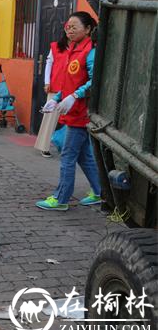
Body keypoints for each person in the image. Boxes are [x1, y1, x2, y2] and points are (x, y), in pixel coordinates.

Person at [36, 11, 102, 211]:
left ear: (88, 29)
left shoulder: (90, 51)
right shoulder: (71, 49)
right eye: (68, 27)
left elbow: (95, 81)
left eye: (74, 27)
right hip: (72, 111)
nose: (69, 30)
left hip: (81, 113)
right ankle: (100, 192)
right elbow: (69, 82)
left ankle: (61, 198)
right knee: (83, 156)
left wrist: (76, 96)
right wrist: (56, 99)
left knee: (67, 156)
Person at [34, 25, 70, 158]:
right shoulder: (56, 46)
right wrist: (47, 82)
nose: (71, 32)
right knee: (49, 118)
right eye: (68, 29)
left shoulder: (80, 48)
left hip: (72, 88)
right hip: (56, 86)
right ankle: (44, 146)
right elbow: (49, 63)